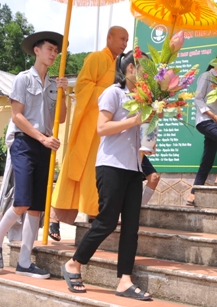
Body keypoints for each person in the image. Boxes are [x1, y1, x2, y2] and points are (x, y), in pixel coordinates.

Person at [60, 50, 153, 301]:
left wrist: (149, 134)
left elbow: (139, 132)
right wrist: (135, 120)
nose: (149, 75)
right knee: (107, 221)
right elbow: (101, 128)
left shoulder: (143, 98)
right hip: (111, 166)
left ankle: (124, 281)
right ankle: (74, 263)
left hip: (134, 168)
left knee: (131, 227)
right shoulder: (114, 92)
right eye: (145, 69)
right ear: (131, 69)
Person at [0, 31, 68, 279]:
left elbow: (61, 118)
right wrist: (41, 138)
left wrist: (63, 94)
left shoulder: (54, 85)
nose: (53, 54)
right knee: (22, 201)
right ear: (37, 50)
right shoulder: (22, 79)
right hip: (24, 142)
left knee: (36, 208)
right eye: (50, 49)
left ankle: (24, 261)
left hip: (45, 146)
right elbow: (17, 116)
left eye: (56, 51)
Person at [48, 26, 129, 241]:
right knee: (76, 168)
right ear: (109, 37)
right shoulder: (96, 58)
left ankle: (94, 212)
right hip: (88, 124)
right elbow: (83, 86)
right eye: (122, 39)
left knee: (96, 171)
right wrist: (110, 93)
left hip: (104, 125)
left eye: (127, 40)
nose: (125, 43)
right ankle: (54, 216)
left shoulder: (118, 65)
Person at [186, 50, 217, 207]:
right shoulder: (206, 76)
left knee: (207, 160)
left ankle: (192, 195)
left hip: (215, 122)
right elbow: (198, 99)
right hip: (205, 120)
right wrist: (213, 116)